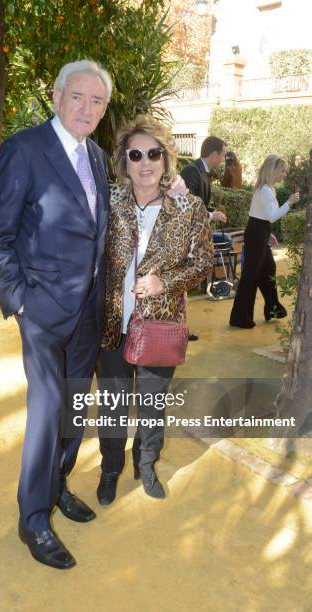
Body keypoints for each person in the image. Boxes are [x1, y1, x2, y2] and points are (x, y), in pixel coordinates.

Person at [0, 60, 112, 570]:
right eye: (78, 97)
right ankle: (32, 519)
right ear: (56, 96)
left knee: (75, 407)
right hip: (41, 310)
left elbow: (96, 228)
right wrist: (19, 301)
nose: (87, 108)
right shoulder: (24, 149)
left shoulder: (97, 156)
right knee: (47, 410)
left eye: (96, 101)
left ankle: (58, 487)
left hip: (88, 309)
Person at [95, 115, 213, 506]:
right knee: (112, 406)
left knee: (151, 407)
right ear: (123, 161)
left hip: (160, 326)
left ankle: (146, 466)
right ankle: (110, 469)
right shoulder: (108, 201)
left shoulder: (188, 206)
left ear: (165, 159)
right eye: (136, 154)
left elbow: (202, 263)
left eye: (153, 153)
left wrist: (167, 282)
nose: (145, 162)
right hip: (112, 325)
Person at [229, 154, 300, 329]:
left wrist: (268, 234)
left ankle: (273, 309)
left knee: (268, 269)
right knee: (250, 277)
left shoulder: (267, 188)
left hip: (259, 232)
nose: (284, 174)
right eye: (282, 171)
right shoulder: (266, 190)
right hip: (256, 233)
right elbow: (271, 216)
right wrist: (289, 203)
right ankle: (240, 318)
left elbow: (261, 215)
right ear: (273, 171)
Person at [180, 135, 228, 340]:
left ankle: (181, 328)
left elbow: (199, 204)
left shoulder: (204, 173)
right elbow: (186, 205)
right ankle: (179, 330)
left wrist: (210, 212)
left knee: (181, 288)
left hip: (194, 238)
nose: (224, 159)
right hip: (183, 239)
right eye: (223, 155)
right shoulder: (192, 170)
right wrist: (210, 215)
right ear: (215, 154)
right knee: (179, 287)